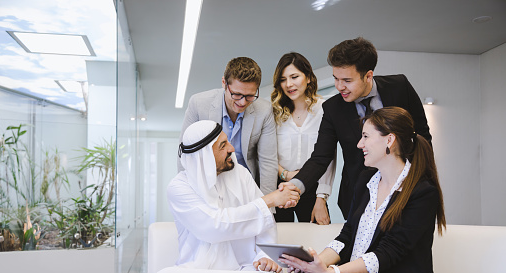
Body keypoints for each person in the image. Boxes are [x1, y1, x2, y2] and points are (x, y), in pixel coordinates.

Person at [277, 107, 446, 273]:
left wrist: (332, 272)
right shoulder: (367, 180)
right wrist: (314, 264)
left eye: (366, 136)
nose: (359, 144)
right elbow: (347, 237)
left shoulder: (421, 192)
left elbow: (388, 253)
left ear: (389, 140)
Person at [148, 120, 300, 273]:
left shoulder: (241, 174)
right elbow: (214, 227)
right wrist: (269, 200)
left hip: (245, 268)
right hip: (196, 271)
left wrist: (264, 257)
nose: (232, 149)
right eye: (223, 146)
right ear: (204, 157)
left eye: (227, 141)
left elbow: (265, 223)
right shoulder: (179, 187)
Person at [290, 37, 432, 218]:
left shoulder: (400, 87)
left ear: (368, 76)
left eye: (347, 80)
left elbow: (422, 136)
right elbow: (321, 157)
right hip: (357, 198)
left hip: (405, 190)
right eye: (336, 79)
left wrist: (422, 179)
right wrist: (296, 185)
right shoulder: (333, 108)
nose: (339, 86)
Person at [178, 57, 277, 197]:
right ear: (224, 83)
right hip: (209, 183)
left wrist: (268, 207)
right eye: (236, 94)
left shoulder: (264, 110)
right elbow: (186, 154)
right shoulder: (199, 104)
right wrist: (188, 196)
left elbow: (268, 161)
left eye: (250, 96)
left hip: (245, 186)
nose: (243, 102)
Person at [271, 52, 336, 225]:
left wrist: (321, 198)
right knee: (280, 241)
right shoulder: (274, 113)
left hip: (313, 188)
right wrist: (286, 174)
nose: (289, 84)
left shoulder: (325, 109)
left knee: (317, 241)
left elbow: (328, 157)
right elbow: (266, 153)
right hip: (280, 186)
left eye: (294, 77)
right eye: (283, 79)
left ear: (308, 78)